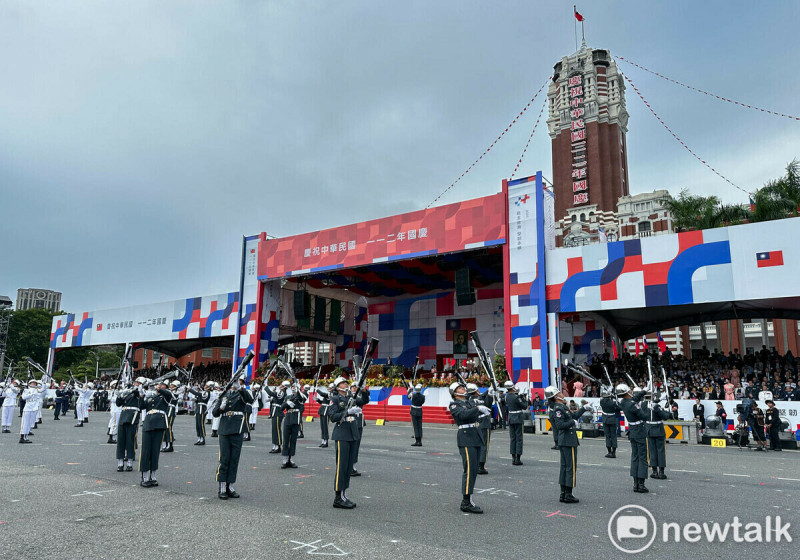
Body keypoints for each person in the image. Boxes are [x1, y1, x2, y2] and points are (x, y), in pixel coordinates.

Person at [447, 381, 486, 514]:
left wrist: (481, 414)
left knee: (474, 470)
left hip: (475, 436)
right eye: (460, 387)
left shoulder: (469, 402)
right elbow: (462, 415)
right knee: (469, 470)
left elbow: (473, 416)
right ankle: (465, 502)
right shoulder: (454, 405)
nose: (463, 389)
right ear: (455, 392)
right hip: (466, 438)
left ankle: (469, 498)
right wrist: (477, 409)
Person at [212, 374, 254, 499]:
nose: (236, 383)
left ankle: (230, 486)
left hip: (237, 429)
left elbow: (250, 400)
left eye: (239, 382)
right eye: (235, 382)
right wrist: (220, 408)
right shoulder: (224, 394)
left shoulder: (242, 394)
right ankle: (222, 487)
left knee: (234, 459)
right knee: (224, 458)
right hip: (224, 429)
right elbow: (214, 413)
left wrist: (241, 389)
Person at [328, 376, 362, 509]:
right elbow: (332, 417)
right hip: (342, 434)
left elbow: (364, 401)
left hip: (352, 434)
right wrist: (347, 412)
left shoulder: (350, 398)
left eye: (345, 382)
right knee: (342, 467)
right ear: (337, 386)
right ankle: (338, 498)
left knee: (348, 467)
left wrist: (363, 389)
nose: (345, 384)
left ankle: (344, 495)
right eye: (342, 383)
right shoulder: (335, 399)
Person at [546, 385, 581, 504]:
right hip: (568, 440)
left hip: (566, 440)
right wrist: (572, 422)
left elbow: (573, 416)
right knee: (570, 467)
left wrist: (584, 408)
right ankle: (568, 494)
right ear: (556, 397)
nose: (562, 394)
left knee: (565, 467)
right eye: (559, 393)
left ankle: (563, 493)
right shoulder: (558, 409)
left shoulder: (561, 407)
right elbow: (560, 425)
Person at [139, 379, 173, 487]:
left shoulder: (166, 396)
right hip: (148, 423)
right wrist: (140, 394)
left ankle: (153, 476)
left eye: (163, 385)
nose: (160, 386)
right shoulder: (150, 397)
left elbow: (168, 394)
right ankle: (144, 476)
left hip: (159, 423)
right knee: (145, 451)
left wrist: (160, 389)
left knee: (155, 451)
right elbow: (141, 406)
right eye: (159, 385)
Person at [617, 384, 650, 493]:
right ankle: (641, 484)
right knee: (642, 457)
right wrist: (647, 406)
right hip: (639, 430)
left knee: (635, 457)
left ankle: (636, 483)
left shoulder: (624, 402)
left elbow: (634, 399)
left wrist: (643, 392)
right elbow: (645, 416)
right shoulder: (632, 405)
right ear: (627, 392)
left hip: (632, 430)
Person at [116, 377, 145, 472]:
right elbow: (118, 404)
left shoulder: (141, 392)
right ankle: (120, 462)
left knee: (130, 440)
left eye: (139, 383)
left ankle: (129, 462)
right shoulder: (128, 391)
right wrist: (119, 395)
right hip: (123, 415)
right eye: (136, 382)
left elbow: (140, 399)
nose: (136, 383)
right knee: (120, 440)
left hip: (133, 416)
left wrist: (138, 390)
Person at [280, 382, 307, 469]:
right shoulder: (287, 397)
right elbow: (281, 408)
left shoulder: (300, 396)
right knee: (286, 440)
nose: (293, 388)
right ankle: (284, 460)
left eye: (295, 387)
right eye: (292, 387)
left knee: (293, 441)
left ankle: (291, 459)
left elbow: (300, 398)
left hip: (295, 420)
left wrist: (299, 390)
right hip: (288, 419)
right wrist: (287, 402)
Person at [645, 392, 671, 480]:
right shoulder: (656, 406)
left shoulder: (643, 405)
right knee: (660, 451)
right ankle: (661, 472)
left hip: (649, 430)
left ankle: (654, 471)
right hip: (658, 430)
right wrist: (665, 410)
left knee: (652, 451)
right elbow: (666, 416)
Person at [504, 381, 529, 466]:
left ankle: (513, 458)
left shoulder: (506, 396)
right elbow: (524, 406)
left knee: (512, 438)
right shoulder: (516, 397)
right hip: (518, 417)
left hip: (511, 417)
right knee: (519, 438)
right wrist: (524, 399)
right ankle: (518, 458)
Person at [349, 382, 369, 477]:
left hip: (359, 421)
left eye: (355, 387)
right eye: (352, 387)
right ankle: (348, 465)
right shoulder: (348, 395)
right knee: (350, 444)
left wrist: (363, 390)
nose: (354, 388)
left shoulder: (360, 395)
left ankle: (353, 465)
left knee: (356, 445)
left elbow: (364, 400)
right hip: (350, 421)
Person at [19, 377, 47, 444]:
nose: (34, 384)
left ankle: (26, 437)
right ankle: (22, 437)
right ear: (30, 384)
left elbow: (43, 389)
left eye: (35, 383)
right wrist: (31, 394)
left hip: (34, 408)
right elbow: (23, 397)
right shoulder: (26, 390)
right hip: (28, 407)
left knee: (29, 423)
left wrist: (44, 383)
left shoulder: (37, 390)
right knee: (25, 423)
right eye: (32, 383)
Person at [264, 380, 288, 453]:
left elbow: (271, 393)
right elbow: (273, 397)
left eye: (282, 385)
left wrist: (266, 387)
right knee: (274, 430)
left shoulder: (282, 393)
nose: (280, 386)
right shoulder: (279, 392)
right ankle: (275, 445)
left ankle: (278, 446)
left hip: (278, 412)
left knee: (277, 430)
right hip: (275, 412)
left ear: (284, 387)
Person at [599, 386, 620, 458]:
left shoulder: (601, 401)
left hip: (605, 419)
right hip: (612, 419)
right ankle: (613, 452)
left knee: (607, 436)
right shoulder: (613, 403)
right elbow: (619, 408)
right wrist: (616, 400)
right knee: (613, 436)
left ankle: (609, 451)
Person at [161, 379, 180, 453]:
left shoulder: (176, 393)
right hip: (167, 410)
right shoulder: (170, 392)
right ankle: (166, 444)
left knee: (169, 428)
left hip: (171, 411)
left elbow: (171, 396)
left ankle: (170, 445)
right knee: (165, 428)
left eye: (172, 385)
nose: (170, 386)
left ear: (176, 387)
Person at [408, 383, 425, 447]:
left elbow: (408, 397)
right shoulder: (423, 397)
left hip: (414, 411)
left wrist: (410, 390)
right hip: (419, 410)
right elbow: (422, 402)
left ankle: (417, 440)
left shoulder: (413, 395)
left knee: (415, 426)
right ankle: (420, 440)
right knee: (419, 426)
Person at [107, 380, 121, 444]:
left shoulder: (118, 391)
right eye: (115, 384)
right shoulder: (111, 392)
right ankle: (111, 437)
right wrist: (119, 397)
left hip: (118, 409)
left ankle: (114, 437)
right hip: (115, 410)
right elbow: (112, 399)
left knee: (115, 423)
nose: (117, 385)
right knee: (115, 423)